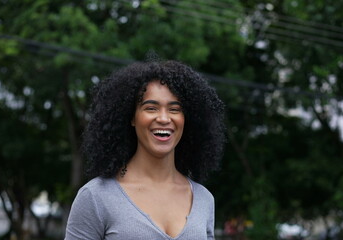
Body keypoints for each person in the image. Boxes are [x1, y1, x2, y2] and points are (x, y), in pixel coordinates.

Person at [65, 60, 225, 240]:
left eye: (174, 109)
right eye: (151, 108)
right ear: (131, 117)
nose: (164, 118)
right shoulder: (96, 196)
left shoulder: (204, 200)